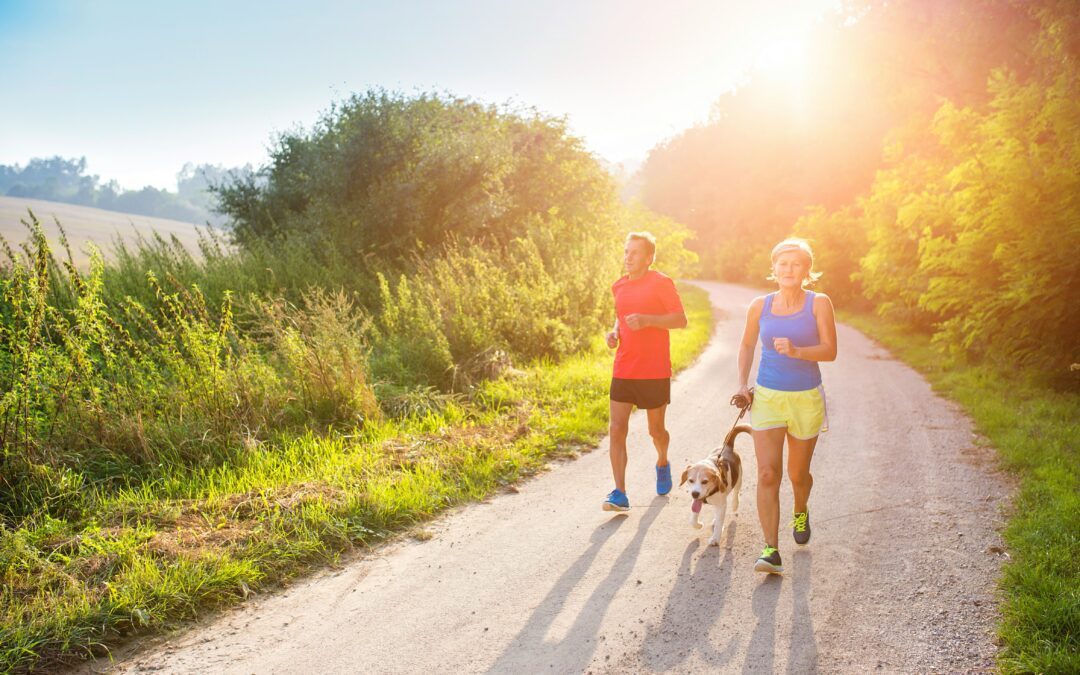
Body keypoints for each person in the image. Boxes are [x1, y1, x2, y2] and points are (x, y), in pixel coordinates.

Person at [734, 237, 837, 574]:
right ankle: (770, 549)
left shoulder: (819, 303)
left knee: (797, 473)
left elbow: (830, 350)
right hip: (767, 397)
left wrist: (797, 351)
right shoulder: (759, 306)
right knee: (767, 473)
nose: (788, 269)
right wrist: (742, 385)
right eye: (783, 263)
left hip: (806, 397)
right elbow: (747, 345)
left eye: (796, 264)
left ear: (806, 270)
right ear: (774, 268)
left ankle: (801, 508)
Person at [603, 231, 688, 511]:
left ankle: (662, 461)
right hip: (624, 367)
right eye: (626, 251)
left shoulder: (661, 283)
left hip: (654, 370)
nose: (628, 257)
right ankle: (620, 492)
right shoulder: (619, 286)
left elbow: (680, 319)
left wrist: (648, 320)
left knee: (656, 430)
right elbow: (621, 318)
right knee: (616, 428)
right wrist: (614, 333)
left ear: (649, 257)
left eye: (634, 252)